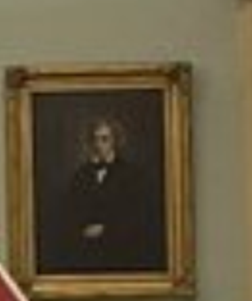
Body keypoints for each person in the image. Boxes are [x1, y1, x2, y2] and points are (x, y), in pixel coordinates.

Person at [43, 116, 163, 275]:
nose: (99, 144)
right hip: (85, 253)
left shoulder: (132, 175)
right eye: (95, 139)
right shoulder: (81, 175)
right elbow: (69, 212)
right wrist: (81, 229)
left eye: (104, 139)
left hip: (121, 253)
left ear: (116, 141)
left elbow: (138, 217)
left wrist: (106, 230)